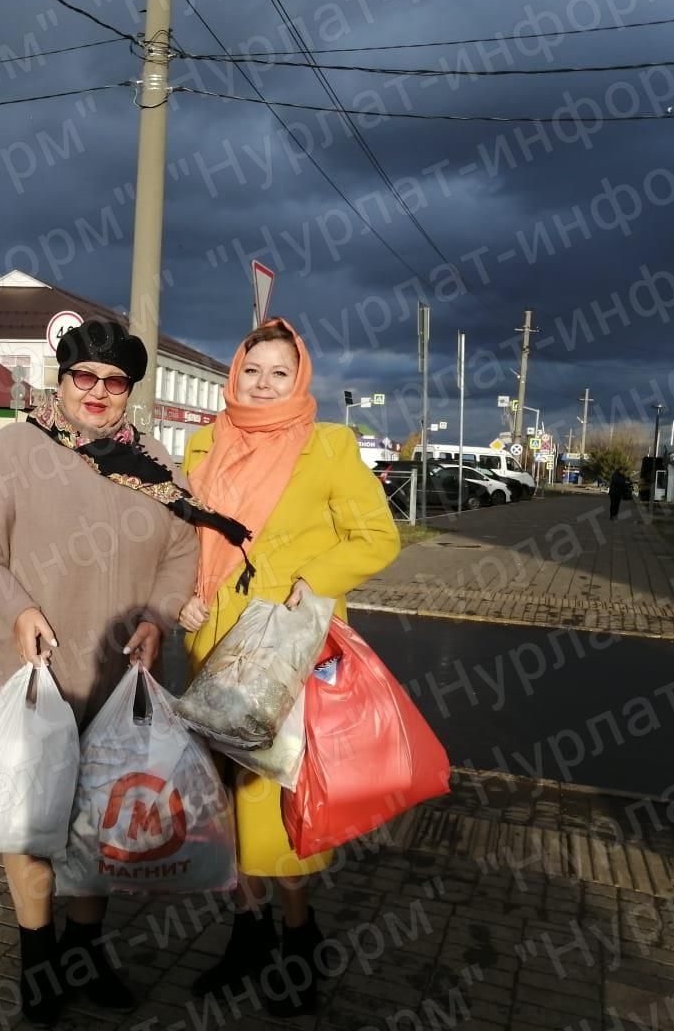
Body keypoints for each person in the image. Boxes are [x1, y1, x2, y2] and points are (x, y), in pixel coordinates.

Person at [0, 318, 249, 1026]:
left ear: (129, 392)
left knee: (102, 812)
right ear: (63, 379)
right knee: (32, 818)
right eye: (86, 377)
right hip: (33, 669)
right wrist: (16, 608)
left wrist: (158, 617)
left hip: (120, 671)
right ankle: (36, 959)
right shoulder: (16, 450)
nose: (99, 392)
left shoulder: (152, 462)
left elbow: (182, 550)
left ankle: (85, 948)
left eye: (115, 382)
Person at [178, 318, 401, 1016]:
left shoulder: (329, 446)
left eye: (279, 371)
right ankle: (248, 935)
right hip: (212, 640)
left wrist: (312, 577)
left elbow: (377, 536)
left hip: (283, 646)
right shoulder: (204, 441)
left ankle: (300, 939)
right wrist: (183, 595)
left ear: (299, 377)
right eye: (252, 370)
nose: (264, 383)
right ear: (233, 374)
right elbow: (188, 536)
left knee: (275, 798)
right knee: (223, 797)